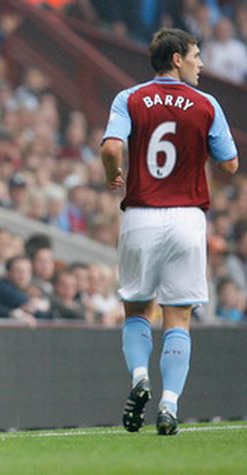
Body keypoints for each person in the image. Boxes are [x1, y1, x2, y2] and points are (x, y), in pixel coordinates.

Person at [101, 28, 239, 436]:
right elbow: (230, 164)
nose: (201, 63)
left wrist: (115, 177)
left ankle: (140, 376)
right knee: (177, 316)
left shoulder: (129, 98)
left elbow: (111, 148)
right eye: (196, 55)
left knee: (137, 310)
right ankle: (169, 405)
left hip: (141, 214)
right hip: (187, 217)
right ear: (177, 58)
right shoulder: (207, 104)